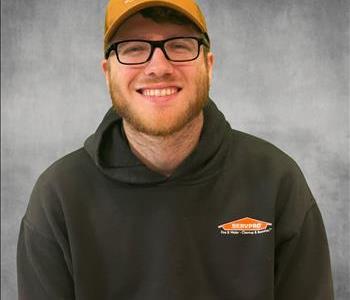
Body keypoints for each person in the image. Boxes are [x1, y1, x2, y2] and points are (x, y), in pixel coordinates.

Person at [17, 0, 334, 299]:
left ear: (208, 66)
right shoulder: (58, 197)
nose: (158, 66)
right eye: (134, 49)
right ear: (107, 72)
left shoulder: (277, 181)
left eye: (179, 46)